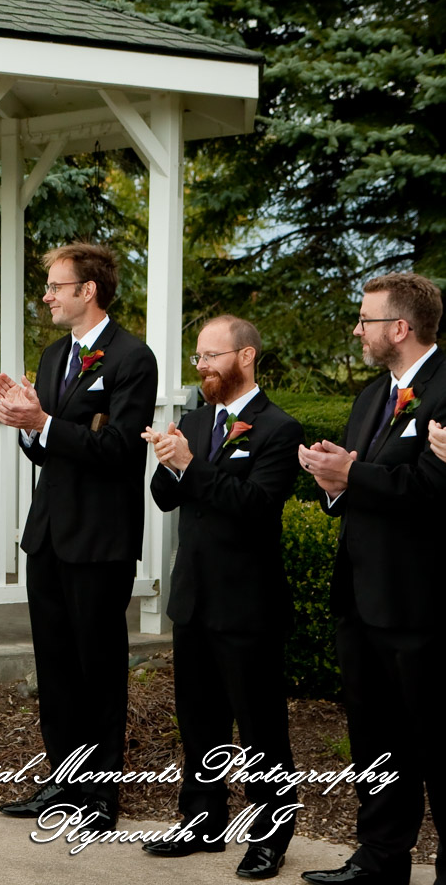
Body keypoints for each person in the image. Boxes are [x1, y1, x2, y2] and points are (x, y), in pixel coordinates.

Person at [0, 242, 157, 831]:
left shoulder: (133, 358)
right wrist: (26, 423)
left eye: (56, 286)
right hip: (49, 533)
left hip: (100, 538)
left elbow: (116, 451)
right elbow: (52, 449)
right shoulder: (54, 353)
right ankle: (62, 786)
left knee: (100, 668)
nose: (48, 296)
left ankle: (102, 797)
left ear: (88, 290)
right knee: (55, 666)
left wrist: (46, 423)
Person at [297, 272, 446, 885]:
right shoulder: (370, 397)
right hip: (360, 596)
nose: (357, 330)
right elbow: (359, 489)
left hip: (421, 601)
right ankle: (381, 858)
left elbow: (436, 489)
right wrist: (334, 480)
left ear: (400, 329)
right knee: (375, 740)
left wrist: (354, 476)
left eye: (366, 320)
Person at [140, 316, 302, 880]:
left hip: (247, 606)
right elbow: (165, 497)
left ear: (246, 357)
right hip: (195, 599)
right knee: (200, 720)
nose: (202, 366)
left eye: (212, 356)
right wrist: (167, 457)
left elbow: (256, 507)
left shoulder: (279, 428)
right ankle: (203, 821)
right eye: (199, 357)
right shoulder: (196, 419)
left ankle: (270, 834)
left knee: (260, 729)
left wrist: (190, 464)